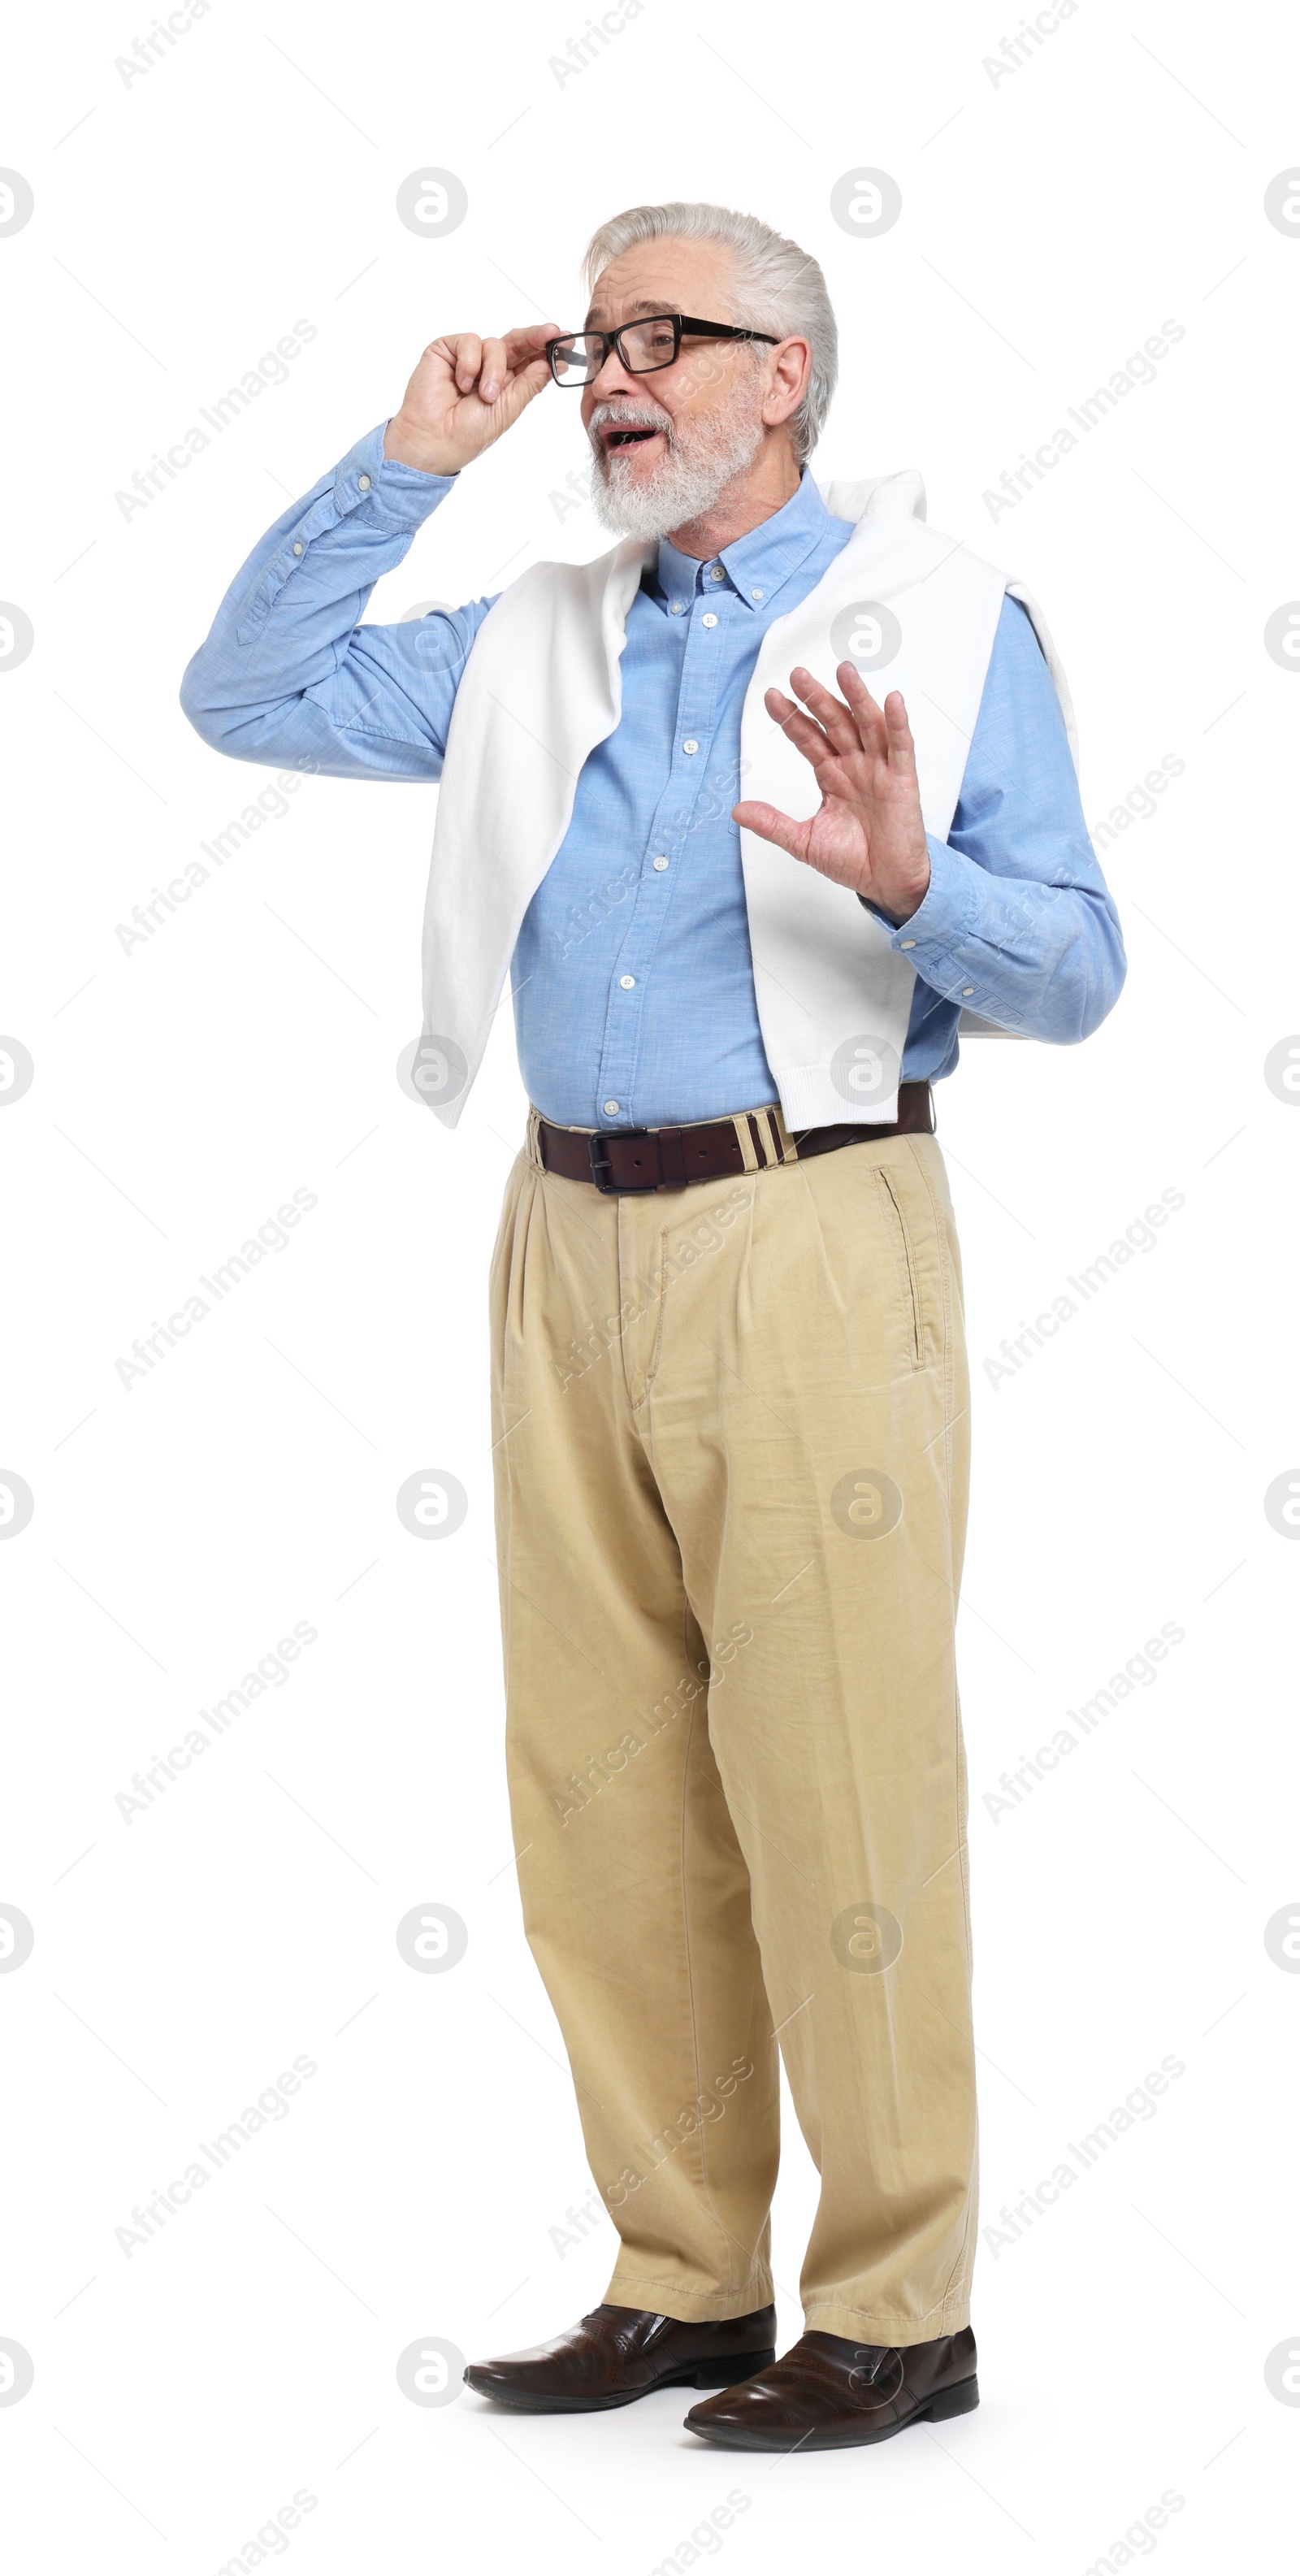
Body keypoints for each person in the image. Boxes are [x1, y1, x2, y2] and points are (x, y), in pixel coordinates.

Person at [181, 199, 1124, 2452]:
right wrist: (407, 459)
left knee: (835, 1779)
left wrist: (916, 883)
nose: (609, 371)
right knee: (600, 1779)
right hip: (561, 1238)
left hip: (812, 1227)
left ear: (783, 375)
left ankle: (901, 2302)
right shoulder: (535, 636)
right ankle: (684, 2270)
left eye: (661, 335)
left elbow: (1076, 971)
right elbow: (244, 694)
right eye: (594, 336)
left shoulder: (952, 625)